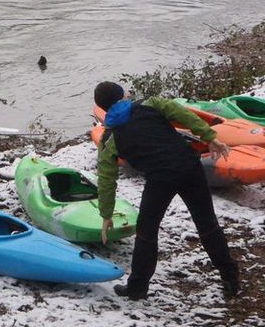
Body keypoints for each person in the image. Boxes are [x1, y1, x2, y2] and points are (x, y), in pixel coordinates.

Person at [94, 81, 239, 300]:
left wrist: (106, 214)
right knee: (207, 225)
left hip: (160, 180)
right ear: (122, 97)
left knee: (146, 232)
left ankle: (137, 288)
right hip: (190, 167)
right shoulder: (150, 104)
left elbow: (107, 179)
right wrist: (209, 137)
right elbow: (184, 115)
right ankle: (230, 277)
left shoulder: (109, 139)